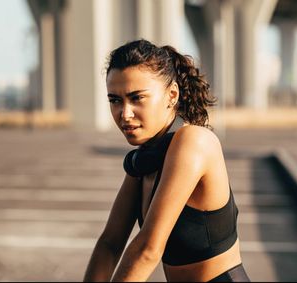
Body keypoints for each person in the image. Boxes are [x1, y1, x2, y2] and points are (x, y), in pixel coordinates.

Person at [83, 39, 250, 282]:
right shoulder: (145, 158)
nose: (124, 114)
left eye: (137, 98)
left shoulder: (194, 141)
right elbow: (110, 243)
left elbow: (148, 249)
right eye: (115, 100)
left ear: (172, 94)